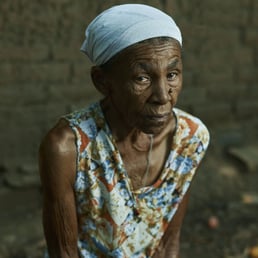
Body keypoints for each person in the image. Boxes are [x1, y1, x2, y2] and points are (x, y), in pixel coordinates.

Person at [39, 4, 210, 258]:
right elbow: (64, 252)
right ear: (102, 82)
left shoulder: (190, 137)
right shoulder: (67, 148)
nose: (163, 96)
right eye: (142, 78)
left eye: (172, 74)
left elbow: (168, 244)